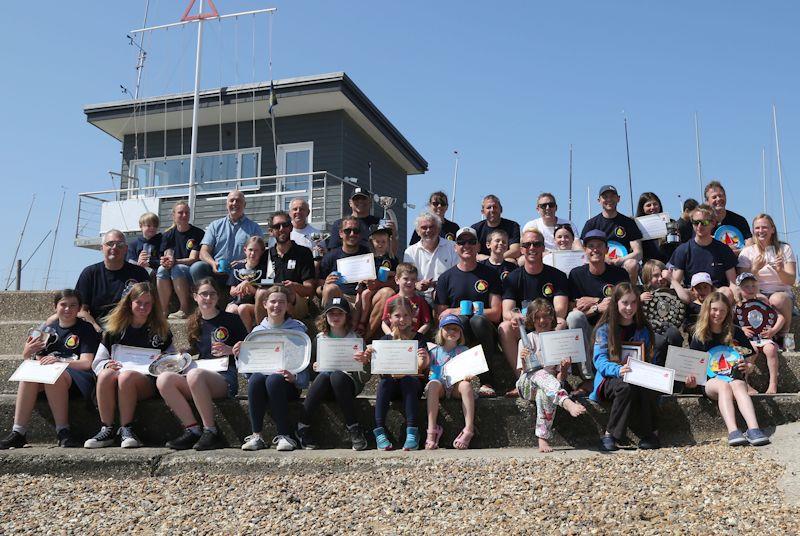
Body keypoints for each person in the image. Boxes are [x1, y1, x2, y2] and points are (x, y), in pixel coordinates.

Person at [0, 290, 99, 449]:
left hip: (76, 378)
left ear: (79, 308)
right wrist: (27, 351)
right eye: (63, 305)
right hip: (49, 374)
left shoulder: (85, 329)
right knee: (28, 375)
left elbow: (86, 363)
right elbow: (32, 358)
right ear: (55, 307)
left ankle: (63, 431)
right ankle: (18, 432)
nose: (68, 309)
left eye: (73, 305)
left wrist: (59, 361)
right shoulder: (46, 329)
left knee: (55, 376)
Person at [157, 278, 247, 450]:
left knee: (194, 374)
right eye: (203, 294)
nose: (208, 298)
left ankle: (211, 431)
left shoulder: (232, 320)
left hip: (224, 377)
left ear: (218, 296)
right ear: (195, 297)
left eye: (212, 293)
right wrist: (180, 354)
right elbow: (194, 349)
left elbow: (248, 349)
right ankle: (193, 430)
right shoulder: (194, 322)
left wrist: (232, 350)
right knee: (164, 379)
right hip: (200, 375)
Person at [85, 282, 174, 449]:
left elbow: (171, 361)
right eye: (138, 302)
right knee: (105, 374)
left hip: (146, 381)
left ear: (153, 305)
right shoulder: (114, 331)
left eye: (147, 303)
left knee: (126, 377)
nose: (143, 307)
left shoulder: (161, 331)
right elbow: (97, 362)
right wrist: (106, 365)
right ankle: (107, 429)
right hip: (116, 378)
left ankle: (126, 428)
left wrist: (164, 360)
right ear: (129, 303)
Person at [687, 292, 770, 446]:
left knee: (738, 384)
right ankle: (733, 431)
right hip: (711, 382)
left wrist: (749, 367)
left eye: (722, 310)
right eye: (714, 309)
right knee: (723, 385)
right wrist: (690, 382)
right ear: (706, 310)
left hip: (734, 378)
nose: (718, 314)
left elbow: (750, 357)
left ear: (728, 312)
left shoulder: (736, 331)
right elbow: (694, 368)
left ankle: (753, 429)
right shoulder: (699, 336)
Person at [589, 283, 661, 451]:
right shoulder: (604, 329)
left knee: (647, 387)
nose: (629, 308)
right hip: (610, 378)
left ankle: (651, 434)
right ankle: (611, 434)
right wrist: (618, 370)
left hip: (637, 377)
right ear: (616, 304)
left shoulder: (643, 329)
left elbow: (649, 358)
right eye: (625, 303)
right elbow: (599, 360)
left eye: (634, 302)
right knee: (625, 387)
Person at [498, 229, 570, 394]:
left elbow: (560, 309)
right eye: (527, 244)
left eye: (536, 244)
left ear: (543, 247)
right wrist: (516, 316)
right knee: (505, 326)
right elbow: (506, 311)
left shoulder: (557, 276)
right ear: (522, 249)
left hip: (546, 323)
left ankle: (552, 376)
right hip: (525, 325)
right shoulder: (513, 278)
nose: (532, 248)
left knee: (562, 323)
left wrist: (541, 317)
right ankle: (523, 381)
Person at [434, 227, 502, 397]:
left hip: (485, 331)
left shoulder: (490, 274)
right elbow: (442, 316)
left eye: (471, 241)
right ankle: (457, 378)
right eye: (461, 242)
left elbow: (495, 313)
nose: (467, 245)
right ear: (455, 247)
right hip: (459, 330)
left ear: (478, 246)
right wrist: (457, 313)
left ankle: (487, 380)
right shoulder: (446, 278)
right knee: (462, 321)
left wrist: (461, 310)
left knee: (476, 321)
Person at [295, 297, 370, 450]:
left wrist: (365, 362)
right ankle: (302, 425)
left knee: (336, 375)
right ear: (325, 317)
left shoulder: (356, 339)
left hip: (347, 385)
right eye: (331, 314)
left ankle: (353, 427)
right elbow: (310, 371)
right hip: (324, 386)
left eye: (339, 314)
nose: (335, 317)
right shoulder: (319, 339)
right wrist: (314, 367)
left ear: (347, 317)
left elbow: (365, 378)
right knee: (325, 375)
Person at [241, 285, 310, 452]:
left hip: (286, 384)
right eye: (273, 302)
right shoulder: (257, 332)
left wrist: (296, 379)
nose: (276, 306)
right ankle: (257, 435)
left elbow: (303, 368)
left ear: (287, 305)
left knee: (274, 379)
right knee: (256, 379)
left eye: (281, 302)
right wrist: (240, 356)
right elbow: (248, 373)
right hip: (262, 383)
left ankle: (285, 435)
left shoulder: (298, 330)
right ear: (265, 304)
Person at [514, 299, 587, 452]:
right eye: (537, 317)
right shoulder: (526, 339)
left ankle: (542, 438)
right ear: (532, 320)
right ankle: (567, 403)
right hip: (526, 384)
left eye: (546, 316)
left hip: (550, 388)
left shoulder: (558, 340)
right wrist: (524, 359)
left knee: (544, 393)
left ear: (552, 318)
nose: (542, 321)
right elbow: (524, 372)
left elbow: (560, 380)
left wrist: (565, 368)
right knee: (540, 373)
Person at [566, 230, 629, 392]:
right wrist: (598, 307)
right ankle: (588, 378)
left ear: (607, 249)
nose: (595, 250)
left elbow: (627, 304)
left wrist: (593, 300)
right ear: (585, 250)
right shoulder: (576, 274)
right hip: (588, 329)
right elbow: (574, 308)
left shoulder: (620, 274)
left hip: (613, 327)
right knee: (574, 317)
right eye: (591, 246)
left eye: (599, 246)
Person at [366, 297, 430, 451]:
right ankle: (379, 430)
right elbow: (380, 369)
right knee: (384, 383)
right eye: (397, 316)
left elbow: (421, 367)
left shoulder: (419, 339)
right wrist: (370, 355)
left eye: (406, 315)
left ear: (412, 316)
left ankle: (412, 432)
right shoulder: (384, 340)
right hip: (391, 384)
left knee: (408, 380)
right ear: (389, 317)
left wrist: (425, 360)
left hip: (412, 385)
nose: (402, 320)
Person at [74, 229, 150, 331]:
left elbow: (150, 305)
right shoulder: (90, 273)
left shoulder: (139, 273)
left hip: (130, 328)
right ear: (102, 248)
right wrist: (96, 329)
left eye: (120, 244)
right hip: (98, 329)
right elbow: (80, 310)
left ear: (126, 249)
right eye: (110, 244)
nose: (114, 247)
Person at [737, 213, 796, 343]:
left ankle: (783, 337)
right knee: (759, 298)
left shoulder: (784, 249)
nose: (761, 231)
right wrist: (754, 269)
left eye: (764, 227)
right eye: (757, 228)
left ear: (772, 229)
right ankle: (757, 336)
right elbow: (741, 282)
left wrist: (780, 270)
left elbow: (791, 280)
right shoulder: (747, 252)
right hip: (755, 293)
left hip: (782, 294)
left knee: (778, 299)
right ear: (753, 231)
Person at [253, 211, 316, 324]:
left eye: (285, 225)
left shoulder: (304, 253)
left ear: (291, 227)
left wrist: (295, 286)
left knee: (288, 296)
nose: (282, 229)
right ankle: (262, 333)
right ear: (271, 232)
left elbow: (310, 290)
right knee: (261, 293)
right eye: (277, 226)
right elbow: (258, 283)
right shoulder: (265, 255)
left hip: (295, 300)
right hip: (273, 299)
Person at [425, 315, 476, 450]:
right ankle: (432, 429)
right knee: (433, 384)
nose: (452, 332)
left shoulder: (464, 350)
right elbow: (428, 372)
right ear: (441, 331)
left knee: (466, 385)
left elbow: (469, 371)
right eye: (448, 329)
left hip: (456, 386)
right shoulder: (433, 351)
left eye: (455, 329)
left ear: (460, 333)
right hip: (440, 386)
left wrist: (469, 376)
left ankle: (469, 428)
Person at [190, 190, 264, 283]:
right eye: (231, 200)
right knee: (197, 267)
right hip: (217, 269)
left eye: (238, 201)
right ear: (226, 204)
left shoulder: (254, 228)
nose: (234, 203)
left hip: (241, 271)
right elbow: (203, 252)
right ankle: (203, 295)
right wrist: (213, 264)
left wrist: (243, 262)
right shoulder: (215, 225)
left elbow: (260, 253)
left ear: (244, 205)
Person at [669, 204, 737, 303]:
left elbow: (732, 284)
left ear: (713, 223)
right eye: (696, 222)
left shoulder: (724, 250)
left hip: (717, 299)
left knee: (726, 291)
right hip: (693, 296)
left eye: (704, 222)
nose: (699, 226)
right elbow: (675, 283)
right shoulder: (682, 250)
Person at [580, 185, 642, 283]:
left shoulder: (629, 222)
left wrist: (620, 260)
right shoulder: (591, 223)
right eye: (605, 197)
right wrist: (603, 258)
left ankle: (631, 293)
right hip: (599, 260)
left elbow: (638, 253)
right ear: (599, 200)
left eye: (612, 196)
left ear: (618, 199)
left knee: (632, 264)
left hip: (622, 262)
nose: (609, 199)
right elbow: (584, 250)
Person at [318, 216, 372, 325]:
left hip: (362, 298)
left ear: (360, 234)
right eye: (348, 231)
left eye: (356, 231)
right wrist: (326, 284)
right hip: (340, 298)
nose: (352, 234)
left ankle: (364, 338)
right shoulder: (330, 256)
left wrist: (372, 282)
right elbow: (318, 289)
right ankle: (326, 330)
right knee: (330, 288)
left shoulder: (368, 254)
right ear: (341, 233)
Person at [734, 272, 783, 394]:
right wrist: (741, 330)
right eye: (746, 286)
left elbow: (781, 317)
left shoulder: (764, 302)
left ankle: (773, 384)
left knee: (771, 350)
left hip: (764, 337)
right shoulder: (736, 306)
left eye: (753, 286)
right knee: (751, 351)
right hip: (747, 340)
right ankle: (745, 383)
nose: (751, 289)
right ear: (739, 289)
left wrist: (773, 330)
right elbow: (728, 324)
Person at [157, 201, 204, 319]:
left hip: (190, 272)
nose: (184, 215)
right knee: (161, 269)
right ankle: (164, 310)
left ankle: (184, 308)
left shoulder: (198, 233)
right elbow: (167, 254)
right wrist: (166, 261)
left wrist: (175, 262)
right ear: (173, 215)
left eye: (186, 213)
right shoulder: (168, 235)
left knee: (177, 268)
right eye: (180, 213)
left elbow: (193, 258)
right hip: (175, 269)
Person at [403, 212, 459, 304]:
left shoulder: (452, 247)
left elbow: (457, 275)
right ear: (417, 231)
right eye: (424, 228)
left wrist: (438, 285)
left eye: (431, 227)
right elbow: (407, 278)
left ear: (438, 229)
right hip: (418, 294)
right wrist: (417, 284)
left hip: (446, 293)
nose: (428, 230)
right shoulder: (410, 251)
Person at [359, 224, 399, 339]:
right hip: (370, 286)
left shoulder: (392, 258)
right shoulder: (369, 258)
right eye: (378, 242)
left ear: (388, 242)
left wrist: (389, 273)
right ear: (372, 242)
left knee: (386, 292)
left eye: (383, 242)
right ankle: (362, 321)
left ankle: (366, 331)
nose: (380, 244)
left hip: (384, 287)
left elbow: (398, 273)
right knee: (365, 294)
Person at [327, 188, 393, 253]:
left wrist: (394, 235)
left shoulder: (380, 223)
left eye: (363, 198)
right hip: (347, 261)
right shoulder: (339, 224)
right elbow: (333, 251)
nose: (360, 201)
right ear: (350, 203)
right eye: (356, 199)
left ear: (370, 202)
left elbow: (391, 252)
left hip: (374, 262)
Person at [226, 236, 268, 331]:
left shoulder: (264, 270)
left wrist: (249, 286)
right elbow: (231, 291)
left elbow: (264, 293)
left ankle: (248, 336)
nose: (252, 253)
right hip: (237, 300)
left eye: (256, 250)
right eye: (250, 250)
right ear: (245, 250)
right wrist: (240, 289)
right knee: (231, 309)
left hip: (255, 305)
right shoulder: (237, 267)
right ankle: (231, 339)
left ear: (262, 251)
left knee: (242, 308)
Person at [381, 263, 432, 336]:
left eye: (413, 279)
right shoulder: (390, 301)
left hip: (413, 340)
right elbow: (384, 323)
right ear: (397, 280)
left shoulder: (420, 301)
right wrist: (390, 335)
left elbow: (427, 323)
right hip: (395, 339)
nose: (409, 282)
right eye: (405, 278)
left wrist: (417, 336)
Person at [704, 180, 752, 254]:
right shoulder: (703, 223)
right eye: (714, 197)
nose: (718, 199)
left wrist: (739, 251)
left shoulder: (740, 220)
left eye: (721, 195)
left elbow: (749, 243)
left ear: (725, 197)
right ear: (707, 202)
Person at [470, 195, 521, 261]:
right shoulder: (476, 228)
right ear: (482, 212)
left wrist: (492, 259)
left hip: (504, 261)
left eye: (495, 207)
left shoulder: (512, 226)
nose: (492, 210)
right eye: (489, 207)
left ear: (501, 209)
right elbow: (472, 251)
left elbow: (515, 251)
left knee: (510, 261)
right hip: (482, 264)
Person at [635, 192, 679, 263]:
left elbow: (676, 246)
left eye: (655, 204)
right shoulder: (637, 226)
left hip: (669, 263)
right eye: (648, 205)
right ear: (642, 208)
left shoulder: (670, 222)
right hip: (648, 265)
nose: (652, 207)